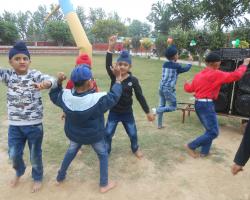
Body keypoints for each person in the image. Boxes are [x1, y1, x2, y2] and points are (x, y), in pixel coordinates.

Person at [49, 64, 122, 193]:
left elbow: (54, 94)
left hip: (75, 135)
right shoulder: (97, 99)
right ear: (90, 82)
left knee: (71, 152)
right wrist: (118, 79)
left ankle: (60, 177)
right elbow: (114, 97)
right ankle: (104, 184)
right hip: (94, 136)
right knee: (103, 155)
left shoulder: (65, 97)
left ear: (72, 82)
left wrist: (59, 81)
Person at [0, 41, 57, 192]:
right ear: (10, 62)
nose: (21, 61)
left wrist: (47, 84)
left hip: (34, 125)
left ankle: (37, 177)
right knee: (14, 154)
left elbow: (53, 80)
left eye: (25, 58)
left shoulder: (35, 75)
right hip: (15, 126)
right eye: (17, 59)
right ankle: (19, 171)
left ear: (30, 61)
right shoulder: (8, 75)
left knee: (35, 154)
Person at [184, 52, 250, 158]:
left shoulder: (199, 75)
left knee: (209, 130)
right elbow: (236, 75)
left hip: (198, 104)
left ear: (206, 63)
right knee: (214, 132)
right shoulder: (216, 74)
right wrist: (245, 64)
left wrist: (186, 84)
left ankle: (204, 152)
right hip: (206, 105)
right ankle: (191, 146)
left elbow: (190, 89)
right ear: (216, 63)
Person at [105, 35, 155, 159]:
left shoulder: (133, 80)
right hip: (114, 112)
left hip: (127, 112)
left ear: (130, 67)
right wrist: (110, 48)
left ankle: (135, 148)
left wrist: (147, 112)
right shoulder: (114, 77)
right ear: (116, 65)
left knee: (133, 133)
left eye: (125, 65)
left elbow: (140, 96)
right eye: (120, 64)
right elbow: (107, 65)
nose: (122, 67)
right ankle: (106, 150)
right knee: (108, 133)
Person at [152, 45, 192, 129]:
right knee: (173, 107)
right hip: (168, 90)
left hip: (161, 88)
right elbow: (185, 69)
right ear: (174, 56)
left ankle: (159, 125)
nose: (178, 55)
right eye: (177, 54)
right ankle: (156, 111)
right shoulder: (176, 66)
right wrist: (190, 62)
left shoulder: (164, 64)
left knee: (162, 106)